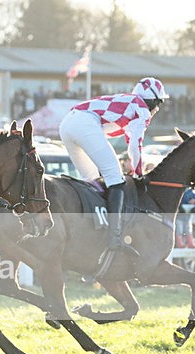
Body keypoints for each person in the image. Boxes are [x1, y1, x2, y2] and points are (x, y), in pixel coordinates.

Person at [59, 77, 168, 257]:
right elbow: (135, 145)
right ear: (153, 101)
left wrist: (133, 168)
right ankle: (114, 239)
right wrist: (139, 174)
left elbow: (128, 141)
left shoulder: (129, 102)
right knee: (115, 179)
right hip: (84, 123)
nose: (157, 109)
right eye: (159, 104)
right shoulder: (142, 109)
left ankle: (89, 240)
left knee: (93, 182)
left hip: (66, 125)